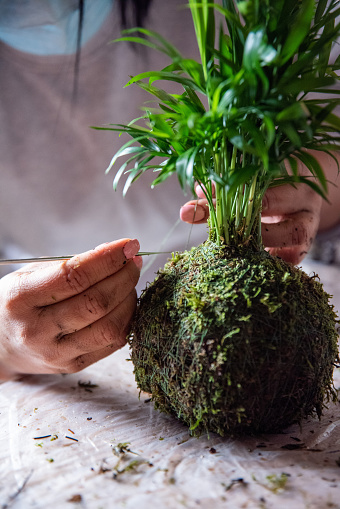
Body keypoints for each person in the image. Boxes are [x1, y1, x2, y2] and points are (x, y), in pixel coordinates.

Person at [0, 0, 338, 381]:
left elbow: (326, 139)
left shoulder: (245, 12)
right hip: (41, 355)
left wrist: (318, 181)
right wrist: (4, 346)